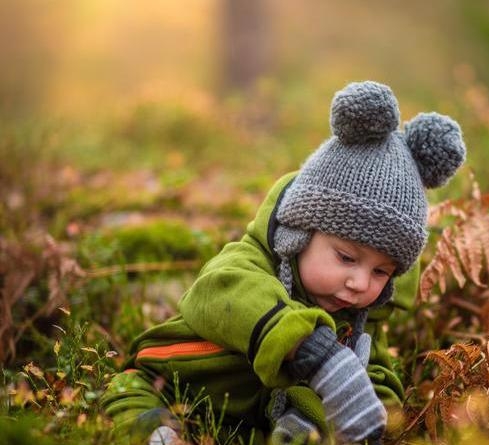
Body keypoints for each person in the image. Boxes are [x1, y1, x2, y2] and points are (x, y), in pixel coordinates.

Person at [101, 80, 466, 445]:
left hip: (247, 421)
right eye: (345, 257)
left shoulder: (359, 320)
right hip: (173, 380)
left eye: (380, 272)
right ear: (299, 233)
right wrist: (314, 352)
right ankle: (157, 433)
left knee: (317, 409)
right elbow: (217, 292)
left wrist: (377, 421)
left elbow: (377, 377)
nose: (359, 282)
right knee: (131, 393)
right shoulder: (249, 263)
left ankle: (298, 432)